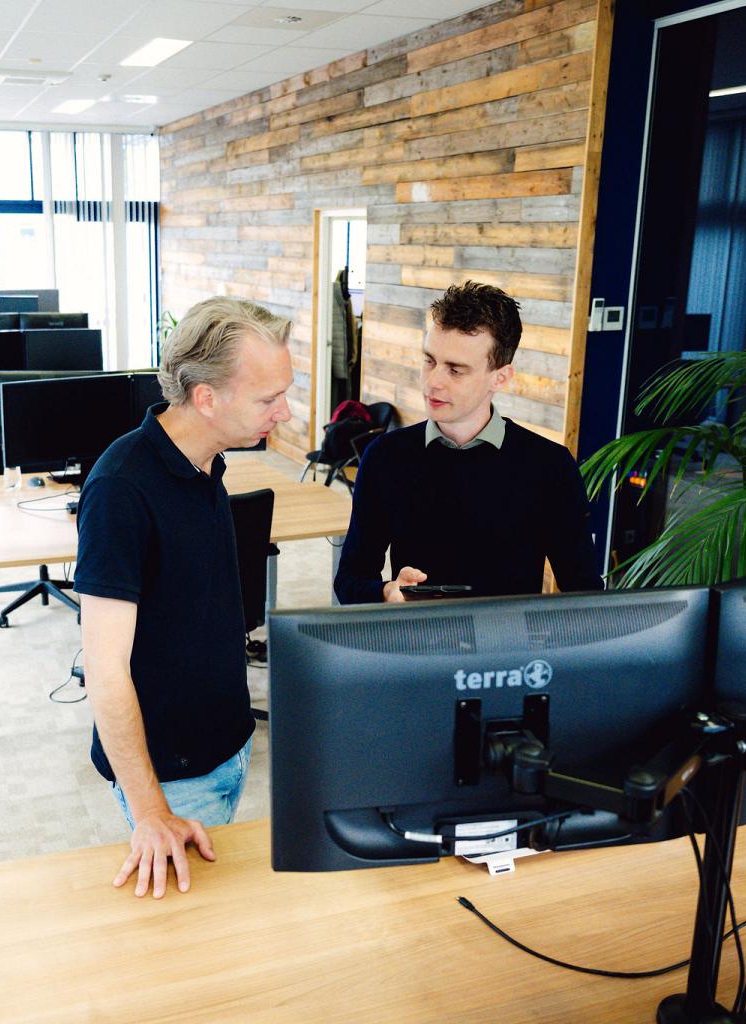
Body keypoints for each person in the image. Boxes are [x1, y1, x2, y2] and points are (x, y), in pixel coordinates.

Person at [74, 296, 293, 899]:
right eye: (268, 399)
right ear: (207, 398)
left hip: (226, 746)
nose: (284, 412)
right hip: (171, 779)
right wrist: (151, 811)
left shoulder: (204, 460)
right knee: (187, 932)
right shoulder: (121, 489)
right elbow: (104, 670)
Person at [334, 281, 602, 605]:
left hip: (507, 639)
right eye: (429, 360)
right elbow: (349, 581)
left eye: (455, 370)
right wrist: (385, 592)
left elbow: (585, 594)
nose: (433, 382)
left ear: (500, 378)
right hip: (416, 634)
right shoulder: (385, 457)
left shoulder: (551, 467)